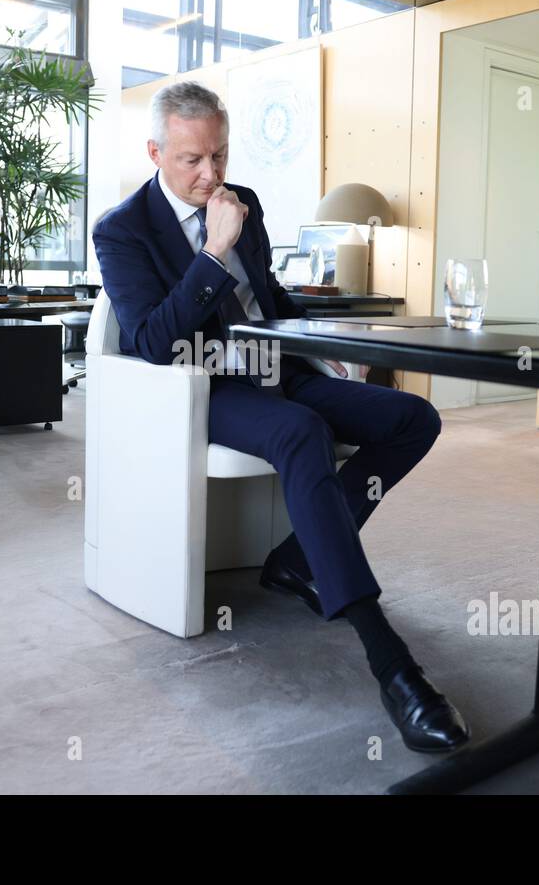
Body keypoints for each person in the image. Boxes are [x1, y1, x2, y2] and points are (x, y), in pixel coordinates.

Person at [92, 81, 468, 753]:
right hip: (206, 387)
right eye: (191, 160)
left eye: (220, 154)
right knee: (303, 432)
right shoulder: (123, 229)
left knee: (414, 417)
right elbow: (153, 339)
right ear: (154, 151)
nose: (211, 175)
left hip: (281, 370)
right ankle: (392, 664)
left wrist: (327, 334)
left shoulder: (248, 204)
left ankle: (298, 558)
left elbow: (264, 297)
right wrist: (211, 252)